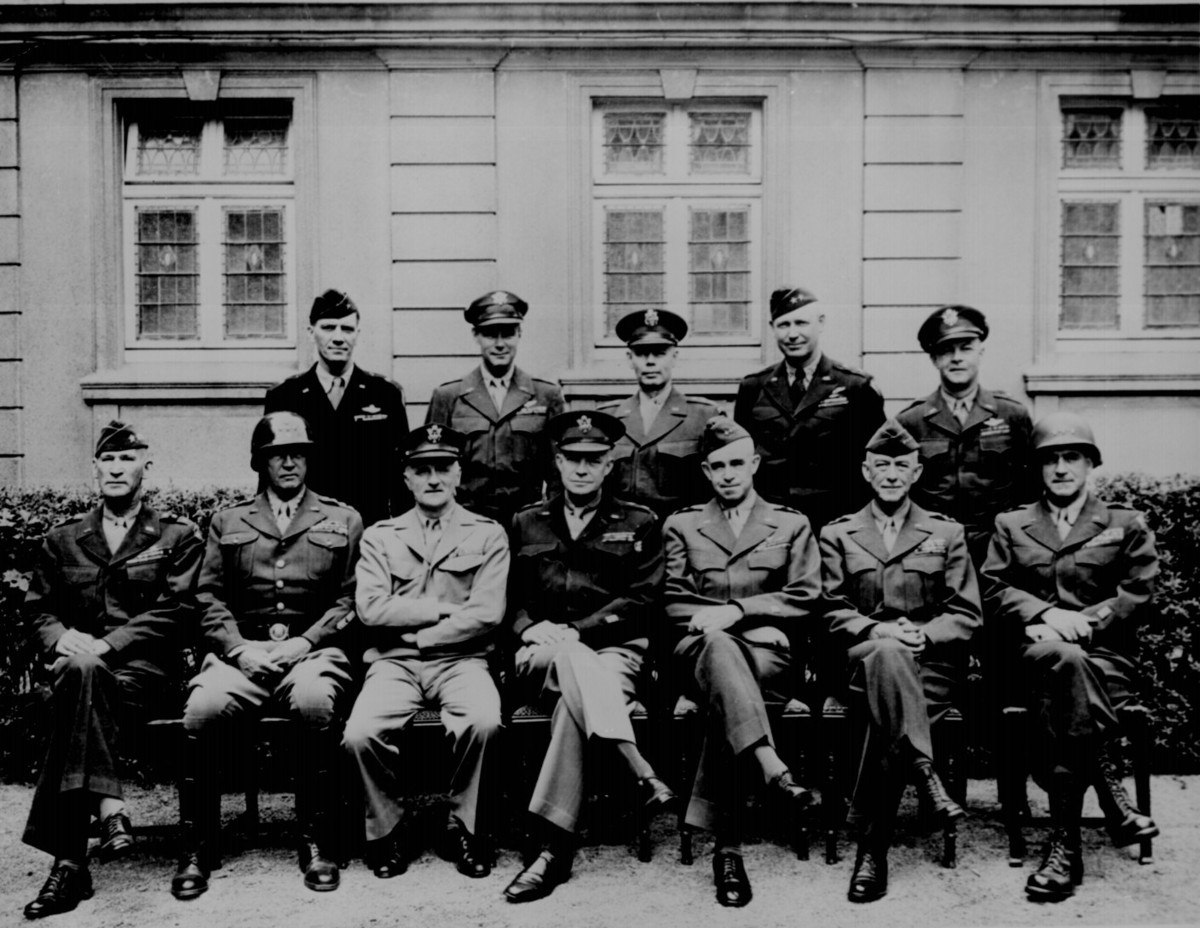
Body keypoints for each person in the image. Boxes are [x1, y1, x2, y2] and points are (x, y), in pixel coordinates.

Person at [172, 412, 363, 900]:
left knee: (316, 700)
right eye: (278, 455)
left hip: (312, 651)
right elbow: (208, 598)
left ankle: (316, 838)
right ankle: (197, 842)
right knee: (202, 708)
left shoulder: (342, 518)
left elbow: (351, 599)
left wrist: (307, 642)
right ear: (261, 462)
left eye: (298, 453)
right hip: (244, 654)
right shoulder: (227, 520)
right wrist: (238, 649)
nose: (289, 463)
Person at [21, 421, 204, 920]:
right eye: (108, 460)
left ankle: (71, 859)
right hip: (79, 674)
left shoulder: (176, 536)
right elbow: (39, 610)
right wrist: (60, 636)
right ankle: (105, 815)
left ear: (147, 467)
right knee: (79, 672)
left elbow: (177, 611)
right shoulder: (64, 539)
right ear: (95, 469)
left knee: (79, 678)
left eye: (128, 459)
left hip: (146, 678)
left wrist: (105, 644)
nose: (117, 469)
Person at [982, 411, 1159, 903]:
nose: (1060, 468)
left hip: (1105, 662)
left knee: (1063, 690)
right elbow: (992, 589)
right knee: (1061, 661)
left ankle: (1066, 847)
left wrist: (1087, 622)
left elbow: (1139, 592)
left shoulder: (1123, 523)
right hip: (1033, 655)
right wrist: (1045, 615)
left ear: (1090, 464)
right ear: (1038, 468)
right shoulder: (1012, 524)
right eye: (1050, 459)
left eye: (1071, 457)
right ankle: (1110, 795)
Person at [502, 410, 674, 903]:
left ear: (609, 466)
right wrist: (529, 628)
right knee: (574, 666)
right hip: (540, 655)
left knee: (571, 709)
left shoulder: (639, 522)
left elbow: (643, 600)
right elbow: (509, 600)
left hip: (614, 653)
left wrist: (576, 632)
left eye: (593, 460)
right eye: (572, 458)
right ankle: (638, 767)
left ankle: (554, 848)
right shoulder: (526, 520)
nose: (582, 468)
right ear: (557, 462)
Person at [663, 416, 821, 907]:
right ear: (705, 473)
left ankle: (727, 849)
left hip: (770, 658)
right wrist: (739, 624)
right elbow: (671, 600)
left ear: (753, 465)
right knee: (719, 651)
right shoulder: (682, 524)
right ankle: (772, 767)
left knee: (723, 687)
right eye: (717, 467)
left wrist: (737, 613)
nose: (728, 474)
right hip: (699, 652)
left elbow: (806, 595)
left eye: (737, 463)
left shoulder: (790, 524)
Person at [820, 419, 981, 903]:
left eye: (901, 465)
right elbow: (828, 608)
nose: (892, 474)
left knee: (883, 715)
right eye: (882, 465)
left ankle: (872, 846)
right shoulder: (838, 533)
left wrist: (926, 636)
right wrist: (877, 629)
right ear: (866, 472)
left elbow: (967, 612)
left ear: (916, 473)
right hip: (860, 662)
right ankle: (925, 774)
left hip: (930, 667)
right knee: (885, 654)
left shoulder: (945, 533)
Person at [342, 424, 508, 881]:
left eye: (442, 468)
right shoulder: (381, 536)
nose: (433, 479)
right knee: (360, 733)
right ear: (407, 478)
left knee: (484, 722)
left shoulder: (488, 533)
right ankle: (389, 830)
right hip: (395, 665)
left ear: (459, 475)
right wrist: (437, 609)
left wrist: (421, 635)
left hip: (462, 661)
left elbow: (488, 612)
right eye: (422, 470)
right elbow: (371, 609)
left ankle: (465, 828)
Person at [735, 286, 884, 531]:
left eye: (801, 323)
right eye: (783, 325)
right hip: (772, 525)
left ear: (821, 323)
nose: (792, 334)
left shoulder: (855, 386)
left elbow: (875, 460)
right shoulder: (754, 387)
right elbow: (741, 459)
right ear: (772, 328)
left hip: (837, 524)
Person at [897, 305, 1035, 566]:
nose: (957, 358)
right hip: (933, 550)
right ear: (934, 359)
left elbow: (1030, 490)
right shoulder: (910, 422)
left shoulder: (1012, 415)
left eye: (966, 348)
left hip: (999, 550)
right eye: (947, 350)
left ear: (981, 353)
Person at [265, 288, 410, 527]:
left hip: (368, 530)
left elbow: (400, 478)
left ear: (358, 334)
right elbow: (269, 476)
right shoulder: (285, 396)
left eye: (347, 329)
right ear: (311, 332)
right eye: (329, 327)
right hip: (305, 531)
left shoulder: (385, 394)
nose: (339, 337)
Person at [426, 290, 565, 525]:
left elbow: (557, 475)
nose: (500, 344)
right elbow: (432, 469)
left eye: (508, 334)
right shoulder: (448, 397)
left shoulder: (545, 396)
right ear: (476, 336)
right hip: (466, 524)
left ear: (520, 334)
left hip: (527, 524)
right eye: (490, 334)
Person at [597, 308, 721, 519]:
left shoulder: (704, 416)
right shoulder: (608, 418)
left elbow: (721, 487)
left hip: (679, 537)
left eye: (660, 353)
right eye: (641, 353)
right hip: (620, 539)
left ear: (675, 357)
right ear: (629, 359)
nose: (650, 362)